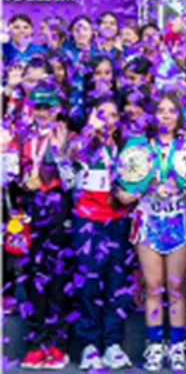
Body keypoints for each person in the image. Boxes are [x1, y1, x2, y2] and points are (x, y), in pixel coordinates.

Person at [117, 91, 186, 372]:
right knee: (154, 286)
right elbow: (123, 187)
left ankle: (178, 346)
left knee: (176, 286)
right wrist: (132, 192)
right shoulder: (137, 147)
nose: (166, 116)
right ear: (151, 116)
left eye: (171, 110)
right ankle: (155, 346)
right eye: (160, 111)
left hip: (178, 219)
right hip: (148, 220)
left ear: (179, 115)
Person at [69, 95, 134, 370]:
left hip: (118, 221)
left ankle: (113, 343)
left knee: (116, 283)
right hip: (88, 223)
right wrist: (89, 130)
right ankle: (89, 345)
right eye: (101, 114)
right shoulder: (82, 144)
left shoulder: (125, 148)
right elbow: (71, 154)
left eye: (113, 115)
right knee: (89, 284)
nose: (108, 121)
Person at [17, 87, 73, 370]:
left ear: (58, 109)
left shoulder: (69, 138)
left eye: (48, 108)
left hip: (59, 209)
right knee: (32, 275)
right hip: (30, 208)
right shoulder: (22, 138)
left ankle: (58, 343)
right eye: (38, 107)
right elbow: (11, 176)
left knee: (58, 276)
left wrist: (62, 154)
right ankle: (36, 341)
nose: (42, 113)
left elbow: (73, 182)